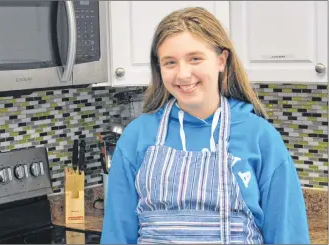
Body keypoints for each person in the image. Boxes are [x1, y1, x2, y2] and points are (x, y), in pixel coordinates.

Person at [100, 7, 310, 244]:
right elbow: (117, 235)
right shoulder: (137, 136)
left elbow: (289, 236)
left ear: (221, 60)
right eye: (170, 62)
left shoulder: (260, 137)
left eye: (195, 59)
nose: (183, 74)